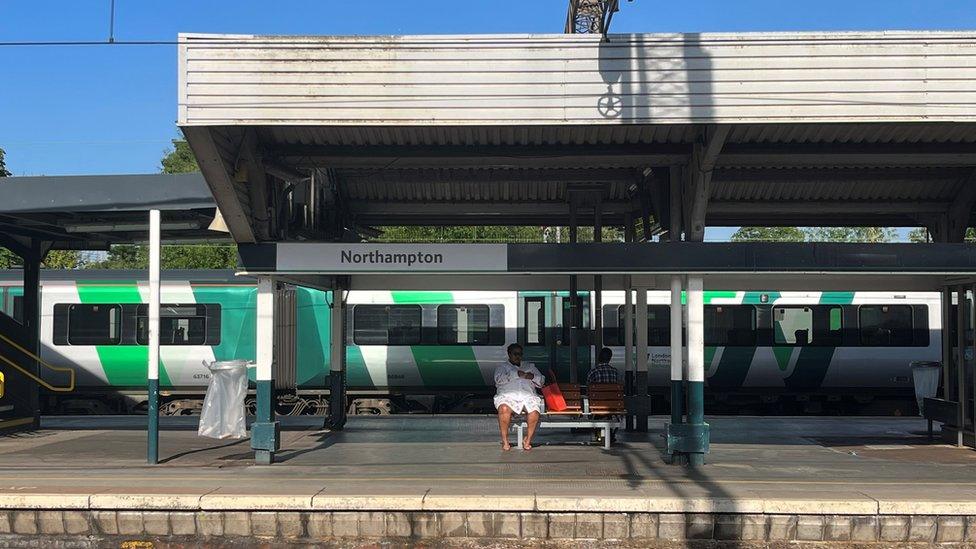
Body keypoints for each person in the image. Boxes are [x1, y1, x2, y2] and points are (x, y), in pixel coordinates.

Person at [494, 343, 545, 451]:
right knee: (503, 409)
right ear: (509, 354)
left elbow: (541, 381)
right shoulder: (502, 367)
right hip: (507, 396)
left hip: (527, 396)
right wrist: (517, 374)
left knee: (534, 412)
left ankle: (527, 440)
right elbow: (498, 379)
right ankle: (505, 440)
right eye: (515, 354)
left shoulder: (530, 366)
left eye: (520, 354)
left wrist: (532, 377)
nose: (518, 356)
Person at [587, 347, 619, 443]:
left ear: (599, 358)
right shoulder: (615, 372)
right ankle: (609, 435)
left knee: (598, 410)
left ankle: (600, 434)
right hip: (613, 405)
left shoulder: (593, 372)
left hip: (596, 405)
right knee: (607, 411)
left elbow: (588, 389)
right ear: (609, 358)